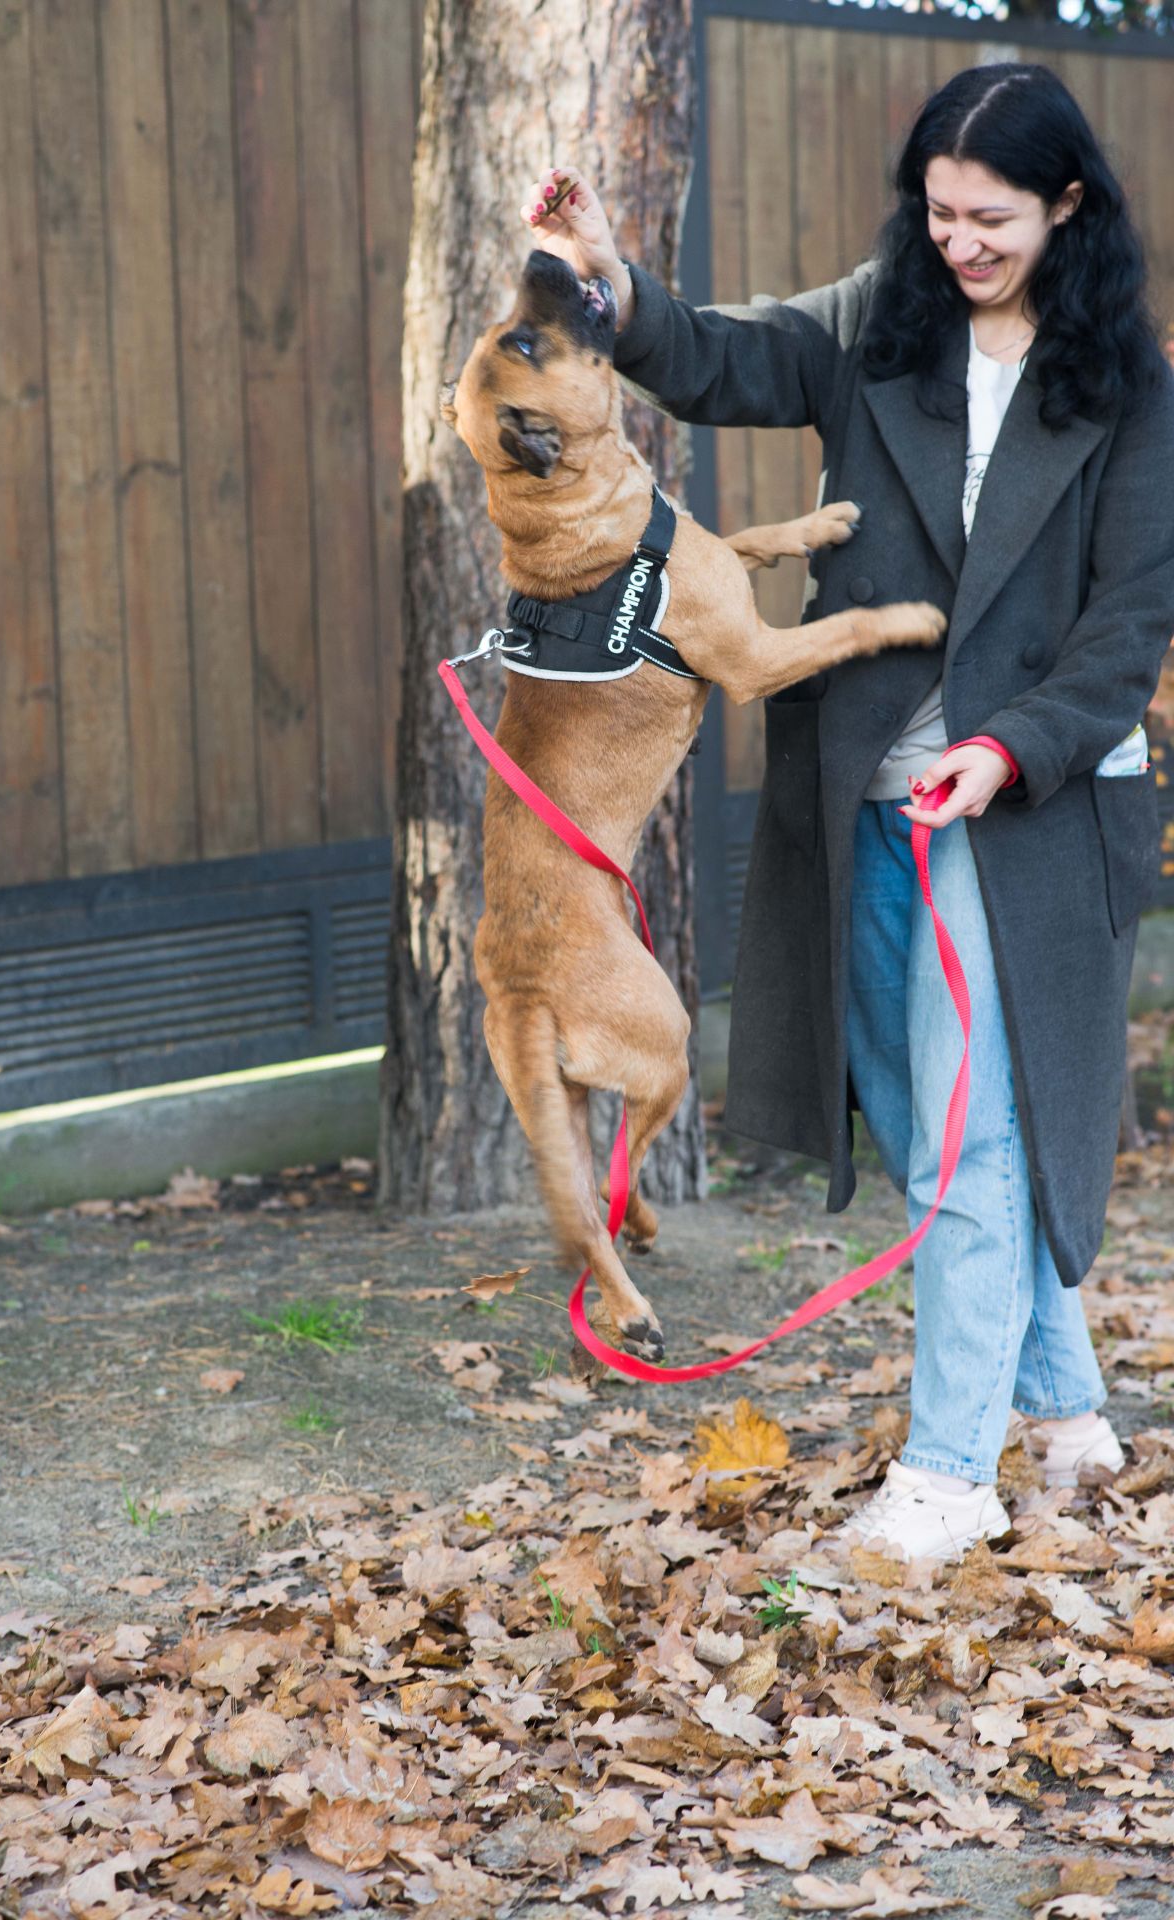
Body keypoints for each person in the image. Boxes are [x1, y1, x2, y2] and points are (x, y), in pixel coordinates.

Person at [520, 61, 1174, 1560]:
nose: (961, 243)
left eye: (993, 217)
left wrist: (1009, 752)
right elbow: (718, 362)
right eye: (940, 212)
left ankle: (949, 1472)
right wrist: (610, 281)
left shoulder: (1131, 388)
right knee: (929, 1117)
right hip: (867, 774)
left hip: (1037, 802)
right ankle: (1069, 1413)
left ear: (1069, 205)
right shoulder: (884, 314)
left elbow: (1129, 626)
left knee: (966, 1133)